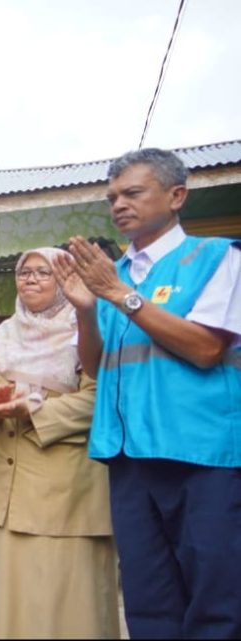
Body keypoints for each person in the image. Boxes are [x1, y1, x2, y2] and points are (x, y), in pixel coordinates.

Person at [54, 148, 241, 638]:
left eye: (133, 193)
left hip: (201, 455)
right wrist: (85, 310)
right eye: (112, 196)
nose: (119, 204)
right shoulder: (113, 273)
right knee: (148, 603)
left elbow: (205, 348)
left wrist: (119, 296)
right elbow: (94, 367)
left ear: (176, 195)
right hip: (128, 457)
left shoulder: (216, 258)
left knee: (217, 602)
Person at [0, 246, 119, 638]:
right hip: (6, 492)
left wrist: (33, 410)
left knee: (70, 606)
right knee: (11, 606)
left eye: (44, 272)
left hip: (66, 494)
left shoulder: (88, 331)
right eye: (24, 272)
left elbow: (101, 398)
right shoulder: (0, 337)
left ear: (64, 281)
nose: (31, 279)